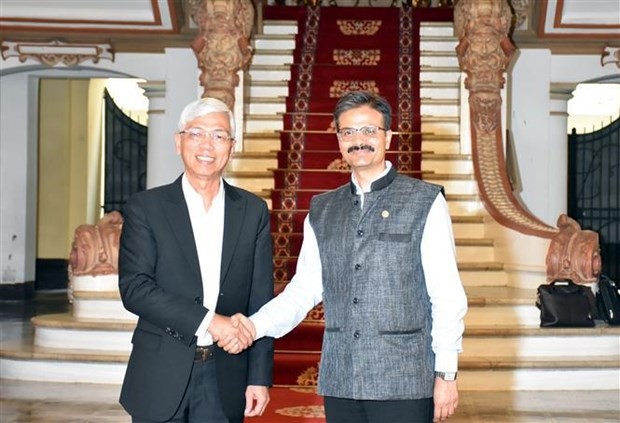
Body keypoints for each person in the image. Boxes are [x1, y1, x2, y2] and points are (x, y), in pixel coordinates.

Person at [225, 91, 468, 422]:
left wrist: (447, 374)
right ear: (338, 139)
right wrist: (253, 326)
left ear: (388, 137)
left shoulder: (425, 201)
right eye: (348, 132)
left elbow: (446, 294)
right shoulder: (323, 208)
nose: (359, 140)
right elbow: (304, 289)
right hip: (341, 378)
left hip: (405, 379)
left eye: (369, 130)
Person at [118, 97, 274, 423]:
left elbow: (261, 298)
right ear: (179, 142)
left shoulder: (252, 211)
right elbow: (135, 288)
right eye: (197, 133)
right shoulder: (146, 207)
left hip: (227, 373)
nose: (207, 145)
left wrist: (258, 375)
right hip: (160, 370)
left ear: (231, 147)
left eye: (219, 135)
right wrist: (210, 321)